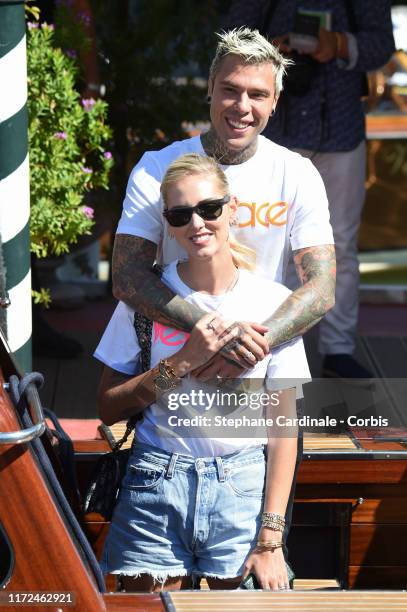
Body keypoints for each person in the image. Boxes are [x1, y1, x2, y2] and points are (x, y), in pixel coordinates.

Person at [110, 27, 334, 570]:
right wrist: (204, 335)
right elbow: (128, 276)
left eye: (257, 94)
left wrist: (245, 344)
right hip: (168, 405)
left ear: (275, 102)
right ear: (209, 89)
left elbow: (321, 286)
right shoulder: (158, 166)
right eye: (230, 89)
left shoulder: (295, 173)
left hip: (258, 384)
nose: (242, 105)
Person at [95, 154, 310, 591]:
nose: (197, 223)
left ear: (232, 209)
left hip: (242, 488)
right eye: (180, 214)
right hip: (156, 481)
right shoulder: (146, 300)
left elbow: (283, 426)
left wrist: (271, 538)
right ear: (169, 224)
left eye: (209, 208)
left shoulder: (272, 302)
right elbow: (107, 407)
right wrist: (182, 363)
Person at [224, 2, 395, 377]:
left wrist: (336, 43)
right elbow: (231, 37)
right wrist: (271, 49)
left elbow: (383, 45)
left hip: (342, 130)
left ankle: (338, 352)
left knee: (342, 245)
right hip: (279, 131)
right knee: (269, 241)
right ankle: (265, 345)